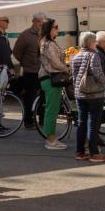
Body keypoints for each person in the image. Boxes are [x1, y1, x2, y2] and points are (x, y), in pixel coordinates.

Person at [71, 32, 105, 163]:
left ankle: (79, 152)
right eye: (94, 41)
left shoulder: (75, 56)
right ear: (90, 42)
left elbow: (75, 77)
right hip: (94, 94)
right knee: (93, 123)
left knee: (81, 122)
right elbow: (97, 73)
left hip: (80, 94)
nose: (96, 44)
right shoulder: (94, 55)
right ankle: (94, 153)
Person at [37, 18, 70, 151]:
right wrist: (67, 68)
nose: (58, 29)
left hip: (51, 78)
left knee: (53, 109)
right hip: (50, 78)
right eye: (55, 27)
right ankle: (50, 139)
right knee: (52, 109)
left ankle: (51, 137)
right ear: (49, 28)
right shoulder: (48, 44)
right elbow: (55, 62)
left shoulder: (49, 42)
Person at [12, 13, 46, 129]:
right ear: (33, 21)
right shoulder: (25, 35)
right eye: (38, 21)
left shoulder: (45, 35)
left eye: (42, 21)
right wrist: (26, 62)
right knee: (29, 97)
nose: (40, 24)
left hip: (43, 71)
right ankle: (28, 121)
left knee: (43, 96)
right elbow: (16, 52)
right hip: (30, 71)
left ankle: (43, 120)